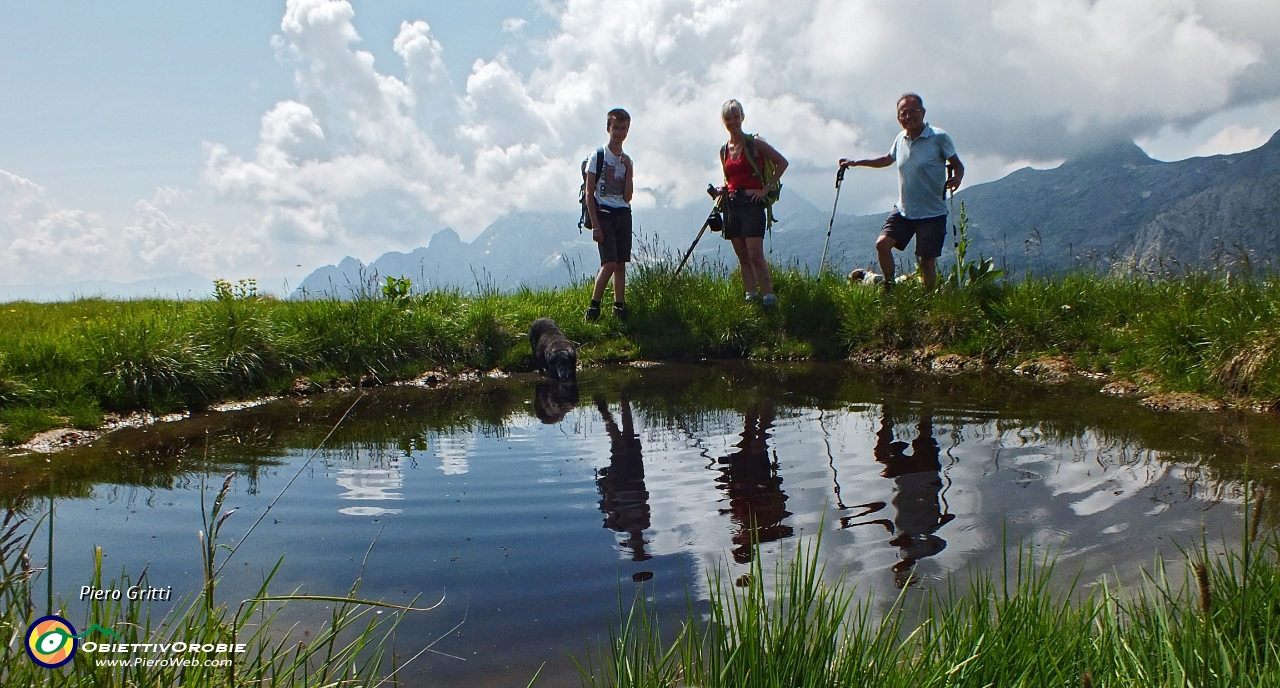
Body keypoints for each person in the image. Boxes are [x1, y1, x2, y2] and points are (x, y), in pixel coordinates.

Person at [840, 93, 964, 291]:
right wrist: (856, 162)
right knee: (882, 245)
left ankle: (928, 300)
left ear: (922, 113)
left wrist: (957, 178)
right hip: (904, 209)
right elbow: (886, 160)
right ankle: (890, 286)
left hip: (932, 213)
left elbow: (957, 165)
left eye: (913, 111)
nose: (908, 116)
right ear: (898, 118)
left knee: (926, 262)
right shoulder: (901, 138)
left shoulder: (939, 138)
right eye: (903, 113)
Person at [717, 100, 788, 307]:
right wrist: (723, 189)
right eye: (728, 118)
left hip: (752, 204)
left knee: (755, 254)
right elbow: (730, 179)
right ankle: (751, 296)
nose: (733, 122)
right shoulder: (724, 150)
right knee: (743, 256)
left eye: (736, 117)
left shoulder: (754, 143)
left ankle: (768, 298)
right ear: (724, 121)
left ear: (742, 117)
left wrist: (765, 189)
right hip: (732, 204)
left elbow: (782, 162)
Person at [585, 108, 635, 321]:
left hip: (622, 213)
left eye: (623, 128)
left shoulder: (627, 160)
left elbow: (628, 196)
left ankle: (619, 307)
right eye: (616, 128)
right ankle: (594, 308)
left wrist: (629, 172)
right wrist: (595, 224)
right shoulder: (597, 156)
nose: (619, 132)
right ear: (608, 128)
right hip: (604, 212)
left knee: (621, 262)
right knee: (609, 263)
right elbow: (589, 192)